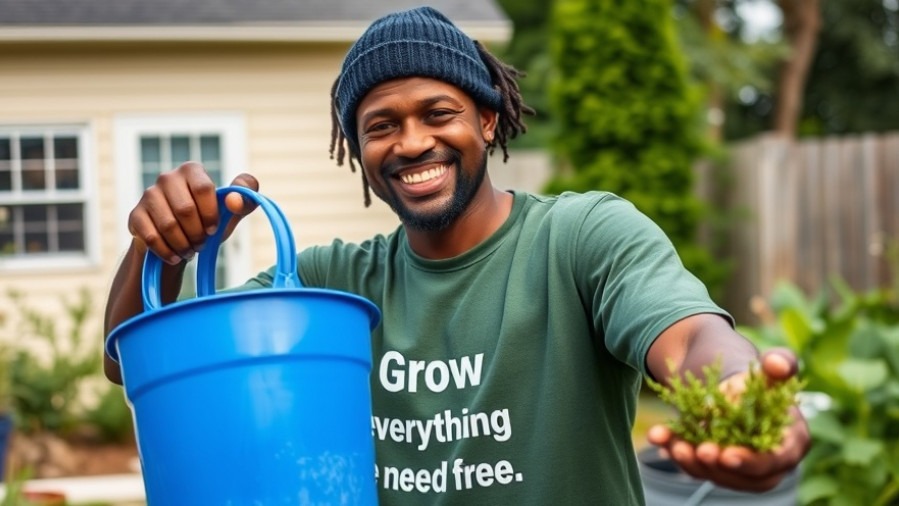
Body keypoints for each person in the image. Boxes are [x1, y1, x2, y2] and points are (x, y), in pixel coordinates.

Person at [103, 6, 809, 504]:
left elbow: (685, 335)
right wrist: (154, 247)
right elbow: (130, 358)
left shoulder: (579, 238)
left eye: (437, 113)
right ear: (357, 152)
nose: (410, 143)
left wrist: (733, 392)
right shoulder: (325, 283)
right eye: (380, 125)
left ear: (487, 118)